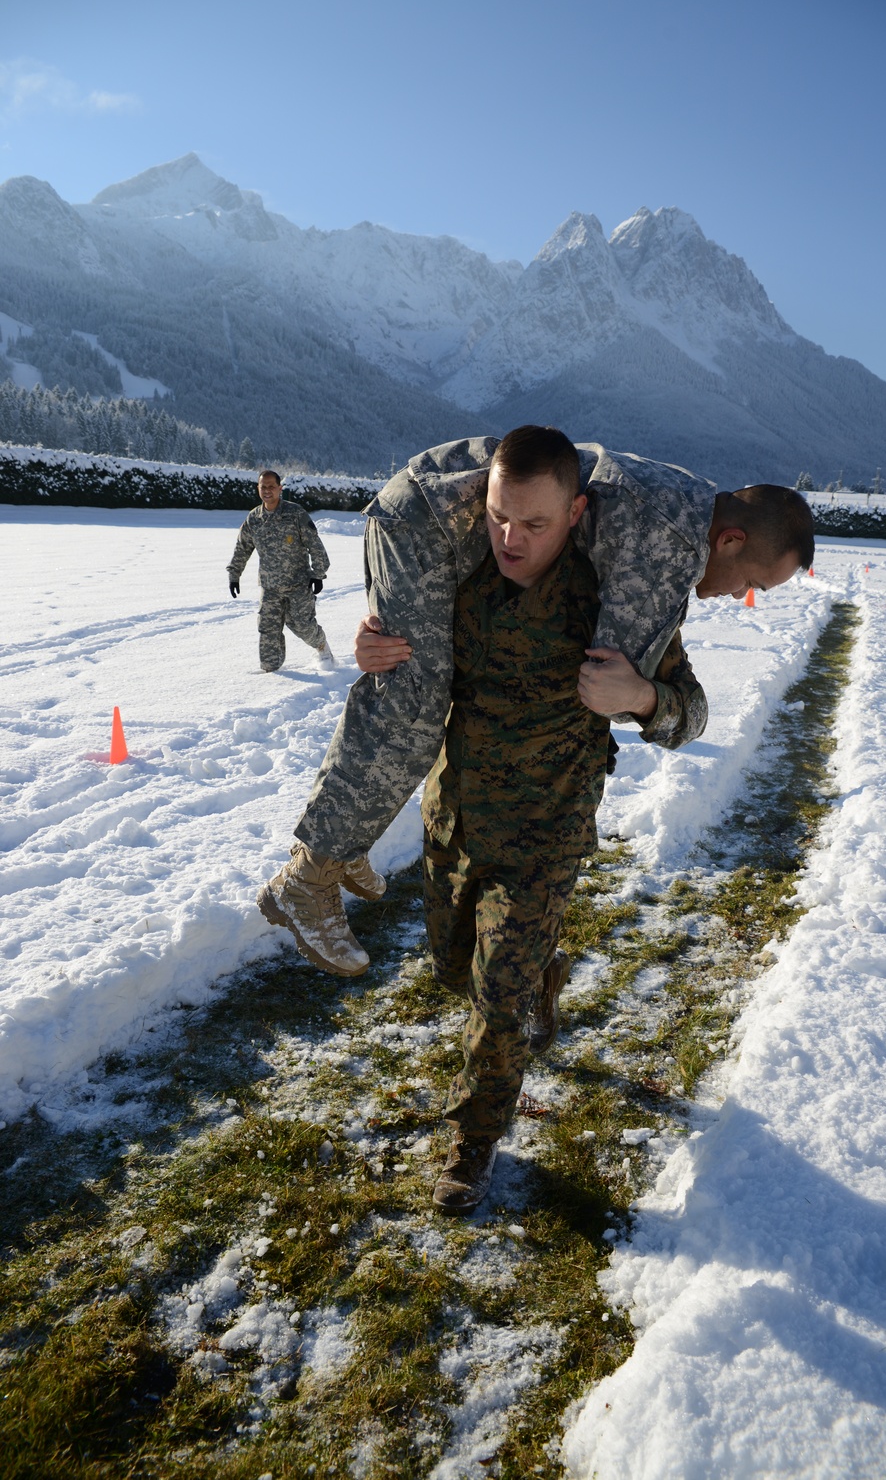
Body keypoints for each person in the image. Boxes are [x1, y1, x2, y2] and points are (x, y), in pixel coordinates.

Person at [257, 431, 814, 974]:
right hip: (428, 519)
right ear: (731, 540)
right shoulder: (669, 544)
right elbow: (608, 686)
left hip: (438, 504)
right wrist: (639, 694)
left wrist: (647, 696)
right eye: (754, 582)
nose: (742, 594)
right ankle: (309, 877)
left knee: (408, 674)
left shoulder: (682, 500)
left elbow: (646, 686)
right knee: (413, 700)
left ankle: (348, 831)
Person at [415, 428, 707, 1211]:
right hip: (456, 820)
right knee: (451, 971)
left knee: (494, 1000)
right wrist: (376, 645)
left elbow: (691, 714)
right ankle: (545, 974)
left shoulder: (613, 602)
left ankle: (472, 1143)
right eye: (499, 517)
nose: (511, 539)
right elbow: (407, 660)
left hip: (545, 836)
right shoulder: (460, 576)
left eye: (535, 524)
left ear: (577, 513)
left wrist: (642, 698)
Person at [227, 469, 334, 672]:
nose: (267, 491)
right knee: (267, 630)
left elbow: (314, 544)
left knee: (303, 626)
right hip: (270, 587)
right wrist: (234, 575)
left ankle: (322, 647)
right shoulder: (254, 518)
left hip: (298, 584)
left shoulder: (295, 514)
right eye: (263, 486)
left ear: (279, 489)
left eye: (271, 486)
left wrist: (318, 573)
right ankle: (271, 674)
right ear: (258, 489)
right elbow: (242, 548)